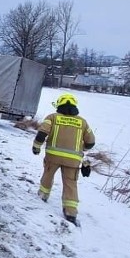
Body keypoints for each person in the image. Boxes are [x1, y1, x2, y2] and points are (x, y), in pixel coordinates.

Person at [31, 93, 96, 225]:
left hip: (52, 156)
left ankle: (43, 195)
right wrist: (80, 148)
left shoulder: (52, 117)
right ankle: (71, 212)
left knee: (48, 175)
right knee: (70, 184)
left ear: (59, 104)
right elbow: (91, 142)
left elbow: (42, 133)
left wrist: (36, 147)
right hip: (73, 160)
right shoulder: (82, 122)